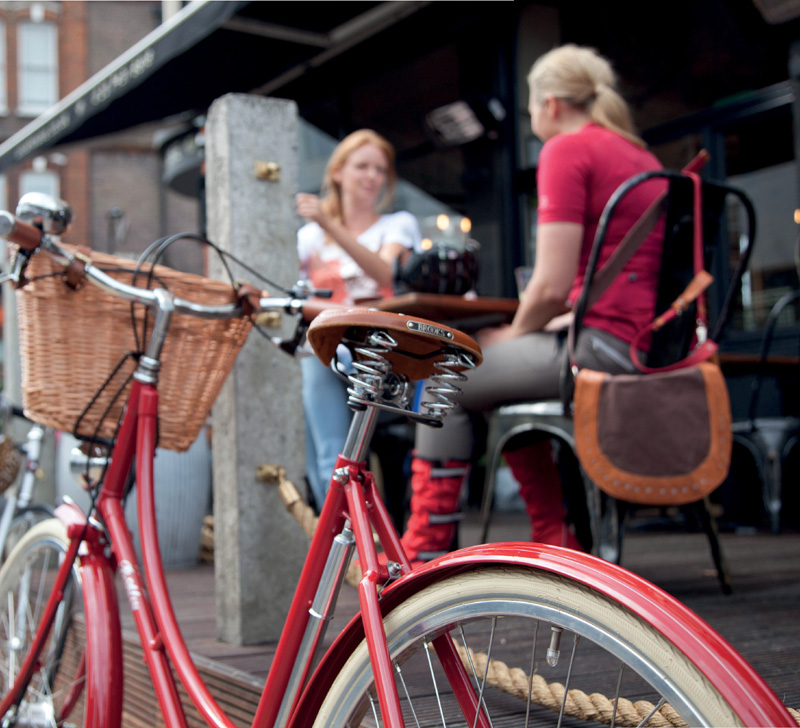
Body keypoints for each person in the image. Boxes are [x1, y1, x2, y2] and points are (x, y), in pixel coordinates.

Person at [400, 44, 666, 564]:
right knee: (496, 380)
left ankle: (421, 555)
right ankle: (554, 536)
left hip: (596, 346)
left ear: (549, 105)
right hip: (639, 343)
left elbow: (548, 285)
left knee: (439, 377)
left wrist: (517, 332)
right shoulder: (644, 157)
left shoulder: (567, 150)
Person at [296, 129, 421, 509]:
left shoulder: (397, 224)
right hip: (331, 352)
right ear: (338, 172)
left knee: (323, 365)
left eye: (380, 170)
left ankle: (348, 528)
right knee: (324, 450)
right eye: (362, 166)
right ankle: (344, 533)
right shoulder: (307, 238)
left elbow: (385, 273)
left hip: (382, 354)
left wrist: (330, 226)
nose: (372, 177)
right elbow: (297, 301)